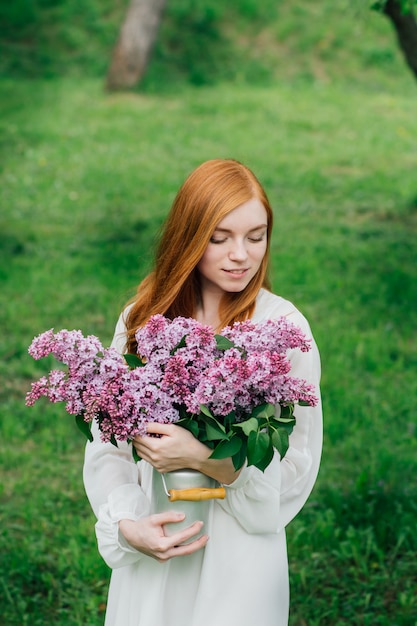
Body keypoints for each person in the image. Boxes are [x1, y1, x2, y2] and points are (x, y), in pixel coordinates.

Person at [83, 158, 323, 626]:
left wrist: (199, 456)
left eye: (257, 236)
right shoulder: (142, 318)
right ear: (189, 236)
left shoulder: (284, 329)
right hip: (159, 538)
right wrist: (128, 525)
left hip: (239, 557)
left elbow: (296, 465)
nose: (242, 255)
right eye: (220, 238)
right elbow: (106, 445)